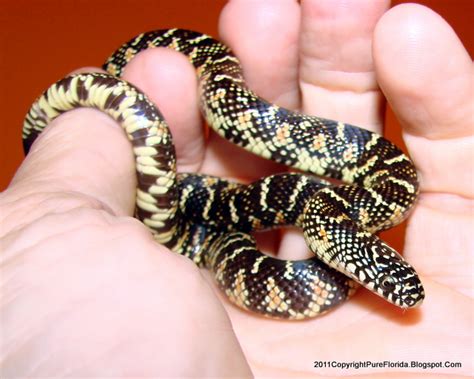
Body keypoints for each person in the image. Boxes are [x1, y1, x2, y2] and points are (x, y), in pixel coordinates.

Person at [1, 0, 472, 377]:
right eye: (390, 284)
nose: (396, 294)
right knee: (168, 81)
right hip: (254, 201)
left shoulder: (347, 216)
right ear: (368, 267)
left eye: (390, 285)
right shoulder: (331, 219)